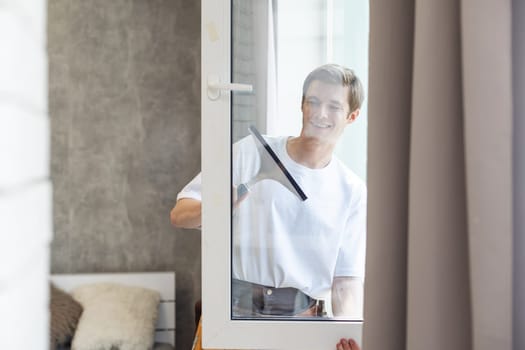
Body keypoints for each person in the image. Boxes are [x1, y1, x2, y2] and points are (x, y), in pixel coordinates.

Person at [171, 63, 367, 318]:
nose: (320, 114)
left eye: (334, 107)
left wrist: (347, 332)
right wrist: (217, 207)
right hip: (233, 315)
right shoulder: (250, 152)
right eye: (314, 102)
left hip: (304, 324)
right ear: (302, 105)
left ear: (352, 116)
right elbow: (179, 215)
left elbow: (346, 282)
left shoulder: (351, 190)